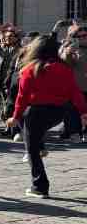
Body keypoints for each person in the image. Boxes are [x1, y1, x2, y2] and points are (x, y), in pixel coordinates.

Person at [8, 35, 87, 198]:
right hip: (59, 112)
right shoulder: (64, 68)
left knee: (31, 150)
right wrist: (83, 112)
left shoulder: (30, 69)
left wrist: (14, 117)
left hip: (36, 112)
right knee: (34, 137)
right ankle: (40, 146)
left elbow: (22, 97)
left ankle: (39, 186)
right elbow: (75, 92)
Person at [59, 23, 87, 142]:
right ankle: (74, 133)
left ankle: (84, 133)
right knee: (73, 112)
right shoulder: (71, 48)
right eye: (79, 36)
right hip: (76, 87)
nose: (82, 38)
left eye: (84, 35)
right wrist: (69, 50)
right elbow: (64, 60)